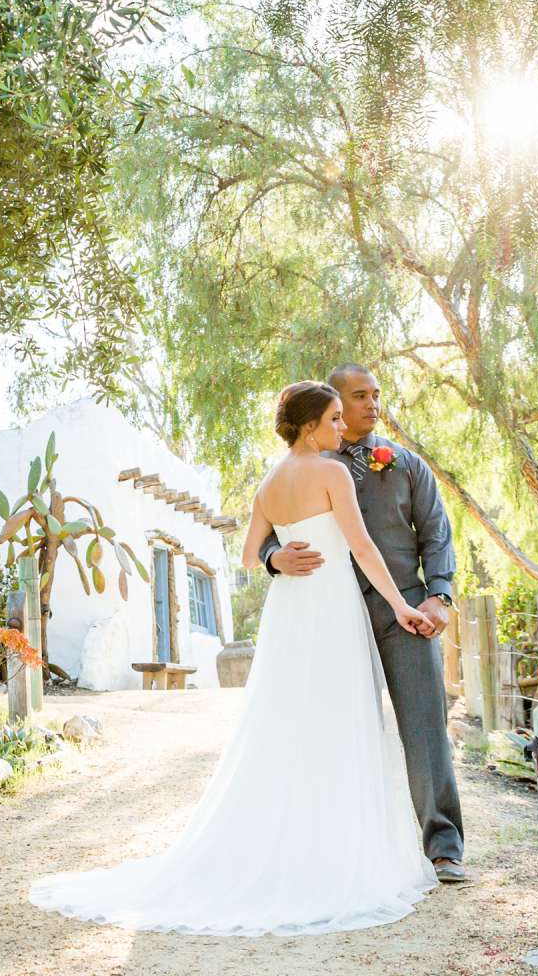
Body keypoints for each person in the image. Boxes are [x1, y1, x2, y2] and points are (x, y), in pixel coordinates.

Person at [26, 381, 438, 935]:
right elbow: (362, 548)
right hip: (332, 605)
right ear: (310, 426)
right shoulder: (334, 473)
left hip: (291, 609)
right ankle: (332, 855)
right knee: (340, 721)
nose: (344, 429)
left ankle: (297, 847)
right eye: (336, 419)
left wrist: (278, 560)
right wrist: (401, 605)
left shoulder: (270, 483)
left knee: (290, 724)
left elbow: (249, 555)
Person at [265, 362, 467, 879]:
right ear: (328, 402)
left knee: (425, 726)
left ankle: (443, 847)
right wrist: (273, 558)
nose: (372, 405)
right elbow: (269, 526)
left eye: (376, 395)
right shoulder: (297, 466)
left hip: (403, 609)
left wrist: (438, 596)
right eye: (359, 396)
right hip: (329, 612)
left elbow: (437, 532)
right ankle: (333, 848)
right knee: (334, 730)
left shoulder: (403, 463)